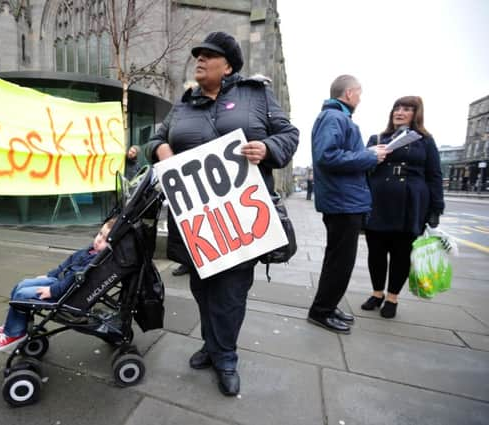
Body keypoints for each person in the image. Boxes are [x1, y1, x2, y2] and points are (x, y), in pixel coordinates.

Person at [143, 31, 298, 396]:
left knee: (230, 293)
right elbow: (154, 138)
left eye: (208, 55)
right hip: (194, 222)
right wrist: (161, 150)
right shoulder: (183, 105)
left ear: (228, 65)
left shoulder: (256, 95)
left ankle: (225, 355)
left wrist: (268, 147)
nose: (199, 59)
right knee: (202, 287)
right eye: (197, 54)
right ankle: (212, 345)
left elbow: (289, 135)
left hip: (240, 221)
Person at [307, 75, 386, 334]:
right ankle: (321, 311)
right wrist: (370, 155)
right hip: (342, 202)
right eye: (359, 94)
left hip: (344, 200)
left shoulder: (338, 117)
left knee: (338, 260)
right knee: (340, 262)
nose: (360, 99)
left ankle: (327, 305)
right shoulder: (334, 117)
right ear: (350, 93)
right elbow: (327, 156)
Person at [361, 96, 444, 318]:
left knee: (401, 253)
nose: (399, 112)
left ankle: (392, 297)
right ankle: (377, 293)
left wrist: (436, 208)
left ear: (416, 113)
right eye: (396, 108)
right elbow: (362, 169)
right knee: (376, 251)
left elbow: (434, 175)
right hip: (379, 201)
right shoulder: (377, 137)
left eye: (406, 109)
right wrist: (369, 155)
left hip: (411, 204)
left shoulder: (425, 140)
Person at [0, 218, 116, 352]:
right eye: (100, 234)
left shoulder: (97, 262)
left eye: (104, 239)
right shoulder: (90, 250)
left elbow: (74, 279)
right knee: (21, 285)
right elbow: (66, 264)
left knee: (22, 295)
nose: (98, 239)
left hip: (64, 293)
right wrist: (50, 275)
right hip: (58, 282)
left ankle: (14, 333)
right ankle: (14, 325)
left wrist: (52, 291)